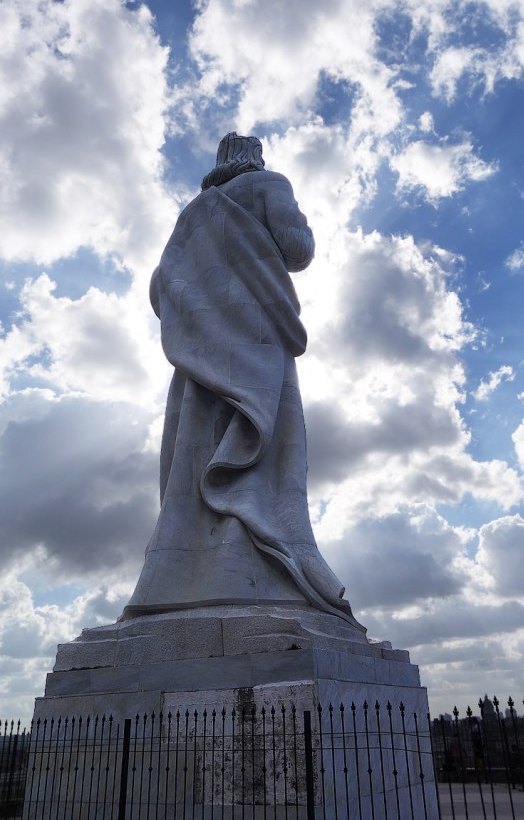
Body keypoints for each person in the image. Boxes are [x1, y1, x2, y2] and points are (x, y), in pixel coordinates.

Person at [122, 133, 359, 628]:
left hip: (199, 357)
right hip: (258, 349)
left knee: (196, 463)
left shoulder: (192, 213)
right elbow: (298, 249)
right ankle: (259, 567)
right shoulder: (270, 184)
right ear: (256, 157)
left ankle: (187, 576)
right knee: (266, 460)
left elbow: (158, 286)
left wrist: (202, 311)